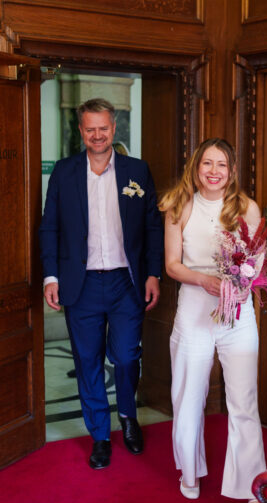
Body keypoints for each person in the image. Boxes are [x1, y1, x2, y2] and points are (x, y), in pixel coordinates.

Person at [40, 98, 163, 469]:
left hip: (127, 282)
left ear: (114, 128)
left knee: (126, 356)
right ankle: (99, 435)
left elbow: (153, 226)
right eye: (90, 129)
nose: (97, 135)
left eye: (103, 128)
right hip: (82, 284)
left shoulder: (137, 171)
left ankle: (127, 415)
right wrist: (51, 276)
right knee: (88, 360)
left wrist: (153, 273)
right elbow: (50, 227)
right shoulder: (64, 172)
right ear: (81, 131)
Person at [158, 137, 267, 503]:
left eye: (221, 165)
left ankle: (253, 493)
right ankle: (190, 472)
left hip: (237, 315)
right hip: (194, 310)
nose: (214, 171)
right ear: (196, 166)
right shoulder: (179, 206)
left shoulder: (246, 208)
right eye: (207, 163)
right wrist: (205, 280)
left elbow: (257, 259)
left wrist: (244, 281)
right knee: (188, 395)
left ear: (231, 171)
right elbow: (172, 264)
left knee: (244, 401)